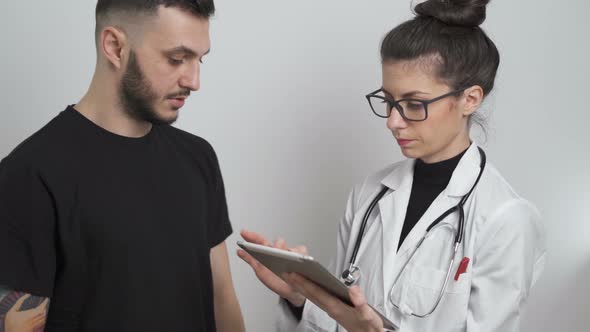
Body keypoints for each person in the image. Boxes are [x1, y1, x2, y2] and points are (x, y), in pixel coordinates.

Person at [238, 0, 546, 331]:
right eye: (388, 101)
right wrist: (300, 298)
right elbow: (334, 320)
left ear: (470, 99)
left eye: (414, 104)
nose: (393, 121)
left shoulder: (506, 220)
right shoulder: (369, 195)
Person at [0, 1, 245, 331]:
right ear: (114, 46)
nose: (194, 80)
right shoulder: (29, 175)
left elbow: (222, 297)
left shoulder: (198, 158)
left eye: (199, 59)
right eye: (177, 59)